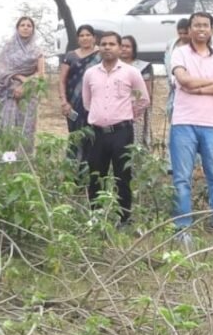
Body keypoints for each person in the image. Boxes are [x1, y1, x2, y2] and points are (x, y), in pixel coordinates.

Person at [169, 11, 213, 244]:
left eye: (205, 25)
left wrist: (197, 88)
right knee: (181, 179)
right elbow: (183, 80)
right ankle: (182, 230)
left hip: (211, 125)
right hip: (183, 123)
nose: (200, 29)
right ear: (189, 30)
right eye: (196, 25)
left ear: (212, 30)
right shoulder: (179, 52)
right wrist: (212, 83)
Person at [81, 32, 150, 224]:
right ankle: (96, 218)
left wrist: (127, 115)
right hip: (96, 133)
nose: (107, 47)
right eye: (103, 44)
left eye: (112, 44)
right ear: (98, 47)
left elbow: (143, 100)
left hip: (122, 132)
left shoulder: (131, 72)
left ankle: (124, 219)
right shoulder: (90, 73)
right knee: (96, 175)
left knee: (122, 176)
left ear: (120, 48)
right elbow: (87, 102)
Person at [0, 16, 45, 152]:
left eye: (29, 25)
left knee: (26, 129)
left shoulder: (37, 51)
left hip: (29, 93)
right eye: (22, 25)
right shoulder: (7, 49)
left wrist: (25, 85)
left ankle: (23, 162)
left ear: (33, 29)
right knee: (7, 127)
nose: (26, 28)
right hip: (7, 92)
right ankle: (4, 161)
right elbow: (2, 70)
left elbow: (41, 75)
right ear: (17, 28)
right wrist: (19, 77)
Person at [58, 25, 101, 160]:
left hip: (96, 104)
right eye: (82, 36)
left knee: (94, 137)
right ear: (78, 39)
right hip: (73, 104)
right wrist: (64, 102)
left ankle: (90, 172)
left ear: (94, 38)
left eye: (88, 35)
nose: (85, 38)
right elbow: (62, 81)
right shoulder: (71, 56)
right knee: (75, 136)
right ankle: (72, 173)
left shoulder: (101, 55)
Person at [120, 35, 153, 148]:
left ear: (133, 49)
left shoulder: (143, 67)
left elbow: (145, 91)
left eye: (127, 46)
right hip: (116, 109)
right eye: (121, 46)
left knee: (136, 143)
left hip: (137, 109)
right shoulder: (113, 66)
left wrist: (127, 96)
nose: (124, 49)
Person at [164, 18, 191, 122]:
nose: (183, 36)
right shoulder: (172, 44)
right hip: (173, 84)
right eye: (180, 33)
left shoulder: (194, 45)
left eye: (186, 33)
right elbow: (167, 63)